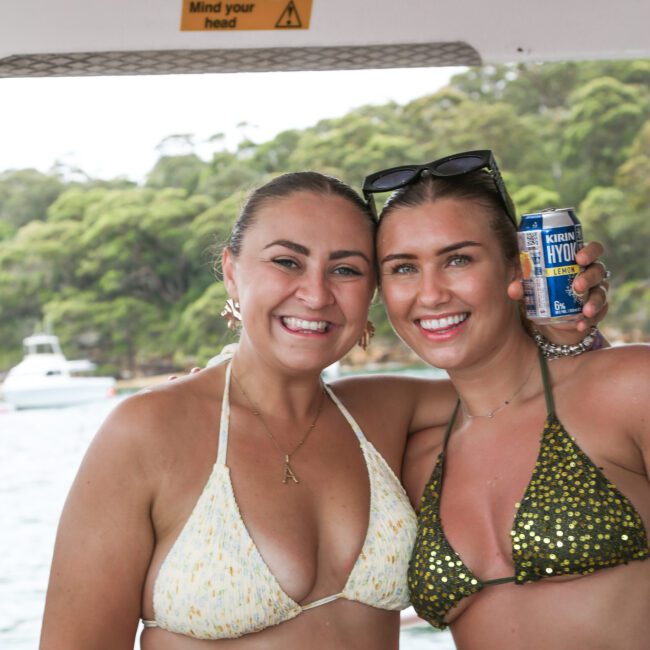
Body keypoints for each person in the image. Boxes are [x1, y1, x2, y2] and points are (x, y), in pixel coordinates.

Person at [40, 170, 608, 650]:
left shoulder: (388, 414)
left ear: (372, 296)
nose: (315, 294)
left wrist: (561, 321)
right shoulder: (146, 432)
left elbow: (528, 388)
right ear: (233, 271)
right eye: (287, 262)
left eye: (345, 269)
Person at [364, 151, 649, 650]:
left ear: (516, 268)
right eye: (403, 267)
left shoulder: (625, 388)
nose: (430, 294)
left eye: (458, 259)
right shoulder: (413, 457)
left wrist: (571, 339)